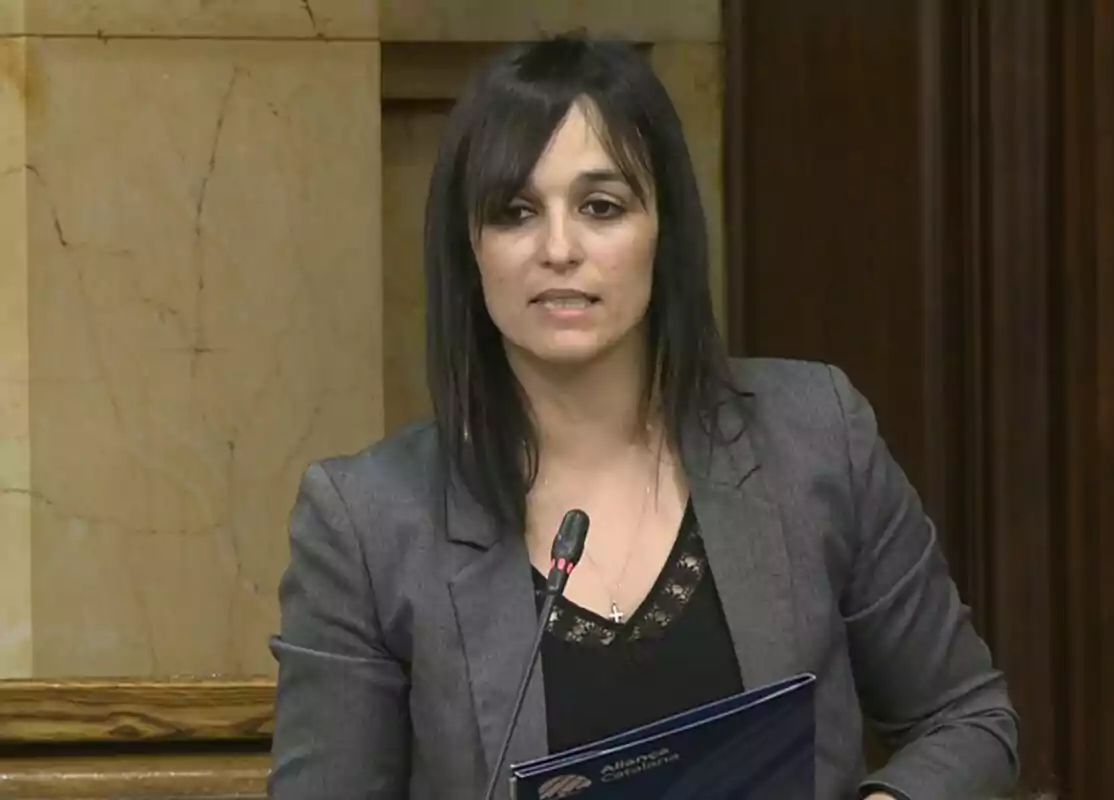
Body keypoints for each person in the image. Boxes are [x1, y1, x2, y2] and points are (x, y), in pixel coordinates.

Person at [267, 34, 1019, 800]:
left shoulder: (816, 435)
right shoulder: (366, 527)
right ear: (472, 247)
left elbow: (967, 719)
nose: (559, 248)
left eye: (601, 206)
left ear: (664, 228)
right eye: (516, 212)